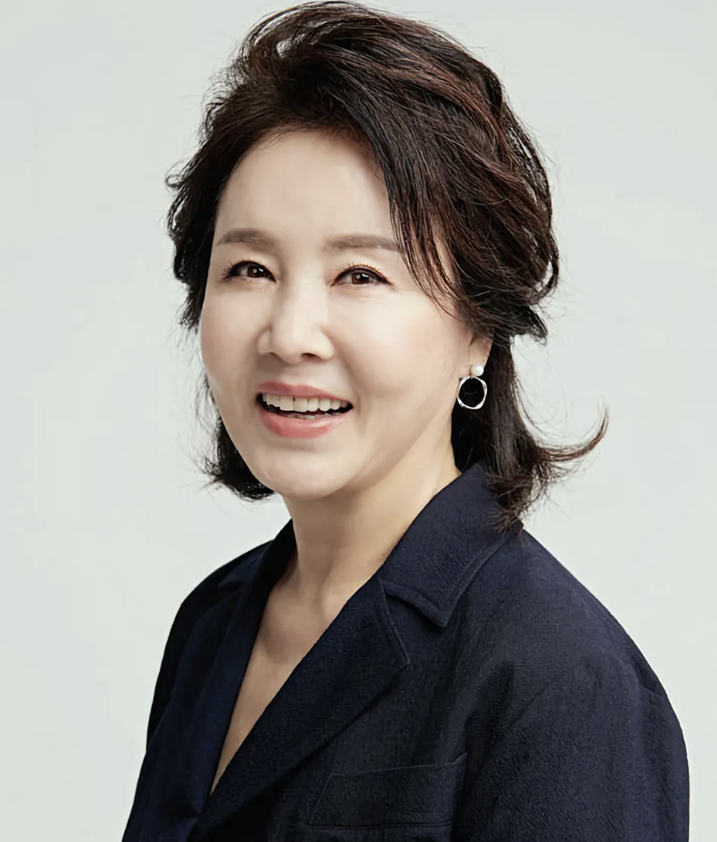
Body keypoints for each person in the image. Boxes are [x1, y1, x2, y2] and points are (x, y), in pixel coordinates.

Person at [121, 2, 689, 840]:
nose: (289, 334)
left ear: (477, 330)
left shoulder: (561, 681)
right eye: (249, 268)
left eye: (360, 275)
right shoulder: (214, 622)